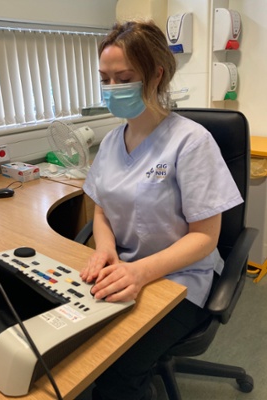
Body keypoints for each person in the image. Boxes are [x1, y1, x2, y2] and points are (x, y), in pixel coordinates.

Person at [80, 20, 243, 400]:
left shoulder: (191, 142)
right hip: (124, 270)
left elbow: (205, 238)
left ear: (155, 75)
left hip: (181, 281)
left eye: (123, 77)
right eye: (105, 78)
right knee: (79, 344)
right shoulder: (110, 142)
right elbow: (101, 210)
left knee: (119, 366)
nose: (112, 88)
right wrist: (105, 250)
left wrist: (139, 272)